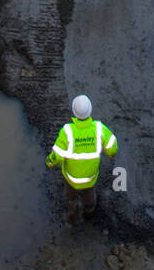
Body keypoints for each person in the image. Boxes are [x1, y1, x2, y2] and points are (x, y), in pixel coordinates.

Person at [46, 95, 118, 223]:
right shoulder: (99, 128)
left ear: (74, 112)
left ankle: (72, 210)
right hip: (90, 177)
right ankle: (89, 212)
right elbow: (112, 148)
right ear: (90, 110)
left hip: (71, 178)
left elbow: (56, 156)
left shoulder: (67, 132)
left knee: (70, 196)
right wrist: (110, 154)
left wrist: (49, 162)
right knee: (89, 196)